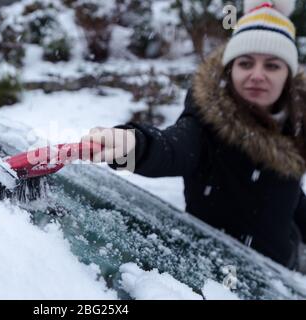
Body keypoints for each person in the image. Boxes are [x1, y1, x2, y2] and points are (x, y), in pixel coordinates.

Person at [81, 0, 306, 273]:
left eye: (272, 66)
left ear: (288, 75)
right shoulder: (206, 123)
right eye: (246, 63)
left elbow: (289, 194)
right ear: (230, 68)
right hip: (214, 276)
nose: (257, 75)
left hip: (282, 273)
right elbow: (173, 149)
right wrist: (134, 145)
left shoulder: (297, 126)